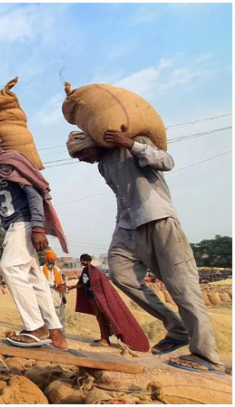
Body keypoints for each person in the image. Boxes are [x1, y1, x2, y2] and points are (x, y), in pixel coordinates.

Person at [68, 130, 223, 373]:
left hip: (159, 219)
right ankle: (177, 327)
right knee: (120, 274)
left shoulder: (135, 144)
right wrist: (120, 224)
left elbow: (167, 162)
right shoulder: (104, 166)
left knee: (183, 290)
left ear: (95, 143)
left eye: (82, 153)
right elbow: (122, 197)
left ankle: (206, 354)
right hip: (127, 226)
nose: (81, 160)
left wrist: (131, 144)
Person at [0, 132, 68, 349]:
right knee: (35, 280)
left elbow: (33, 194)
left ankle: (35, 327)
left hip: (23, 223)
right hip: (13, 226)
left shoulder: (10, 163)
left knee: (10, 267)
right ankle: (56, 333)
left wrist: (37, 227)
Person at [70, 254, 149, 351]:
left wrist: (99, 299)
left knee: (103, 318)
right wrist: (72, 287)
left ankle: (105, 340)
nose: (81, 262)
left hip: (98, 299)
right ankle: (104, 337)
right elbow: (83, 284)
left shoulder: (95, 271)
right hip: (91, 298)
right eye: (81, 260)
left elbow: (100, 286)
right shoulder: (86, 271)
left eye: (83, 260)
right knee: (100, 318)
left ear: (87, 261)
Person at [42, 249, 67, 333]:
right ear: (46, 259)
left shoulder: (58, 270)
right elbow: (42, 282)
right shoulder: (41, 269)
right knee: (48, 315)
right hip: (45, 296)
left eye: (53, 260)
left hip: (58, 295)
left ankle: (60, 333)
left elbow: (62, 281)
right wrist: (54, 285)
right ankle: (49, 332)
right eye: (49, 259)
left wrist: (62, 285)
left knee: (60, 316)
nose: (51, 261)